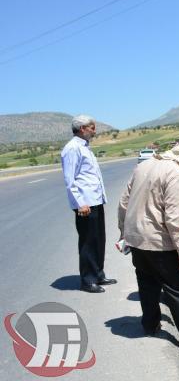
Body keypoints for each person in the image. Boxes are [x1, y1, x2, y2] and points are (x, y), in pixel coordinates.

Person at [118, 142, 179, 354]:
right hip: (159, 244)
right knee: (178, 293)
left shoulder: (143, 166)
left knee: (147, 285)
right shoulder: (174, 173)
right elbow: (173, 219)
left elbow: (123, 203)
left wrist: (123, 233)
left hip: (137, 241)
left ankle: (150, 325)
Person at [60, 115, 116, 293]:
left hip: (95, 201)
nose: (94, 130)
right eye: (92, 127)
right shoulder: (72, 149)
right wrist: (80, 203)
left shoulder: (85, 148)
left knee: (99, 239)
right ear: (82, 128)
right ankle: (88, 280)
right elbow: (70, 180)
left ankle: (98, 274)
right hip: (85, 204)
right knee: (87, 242)